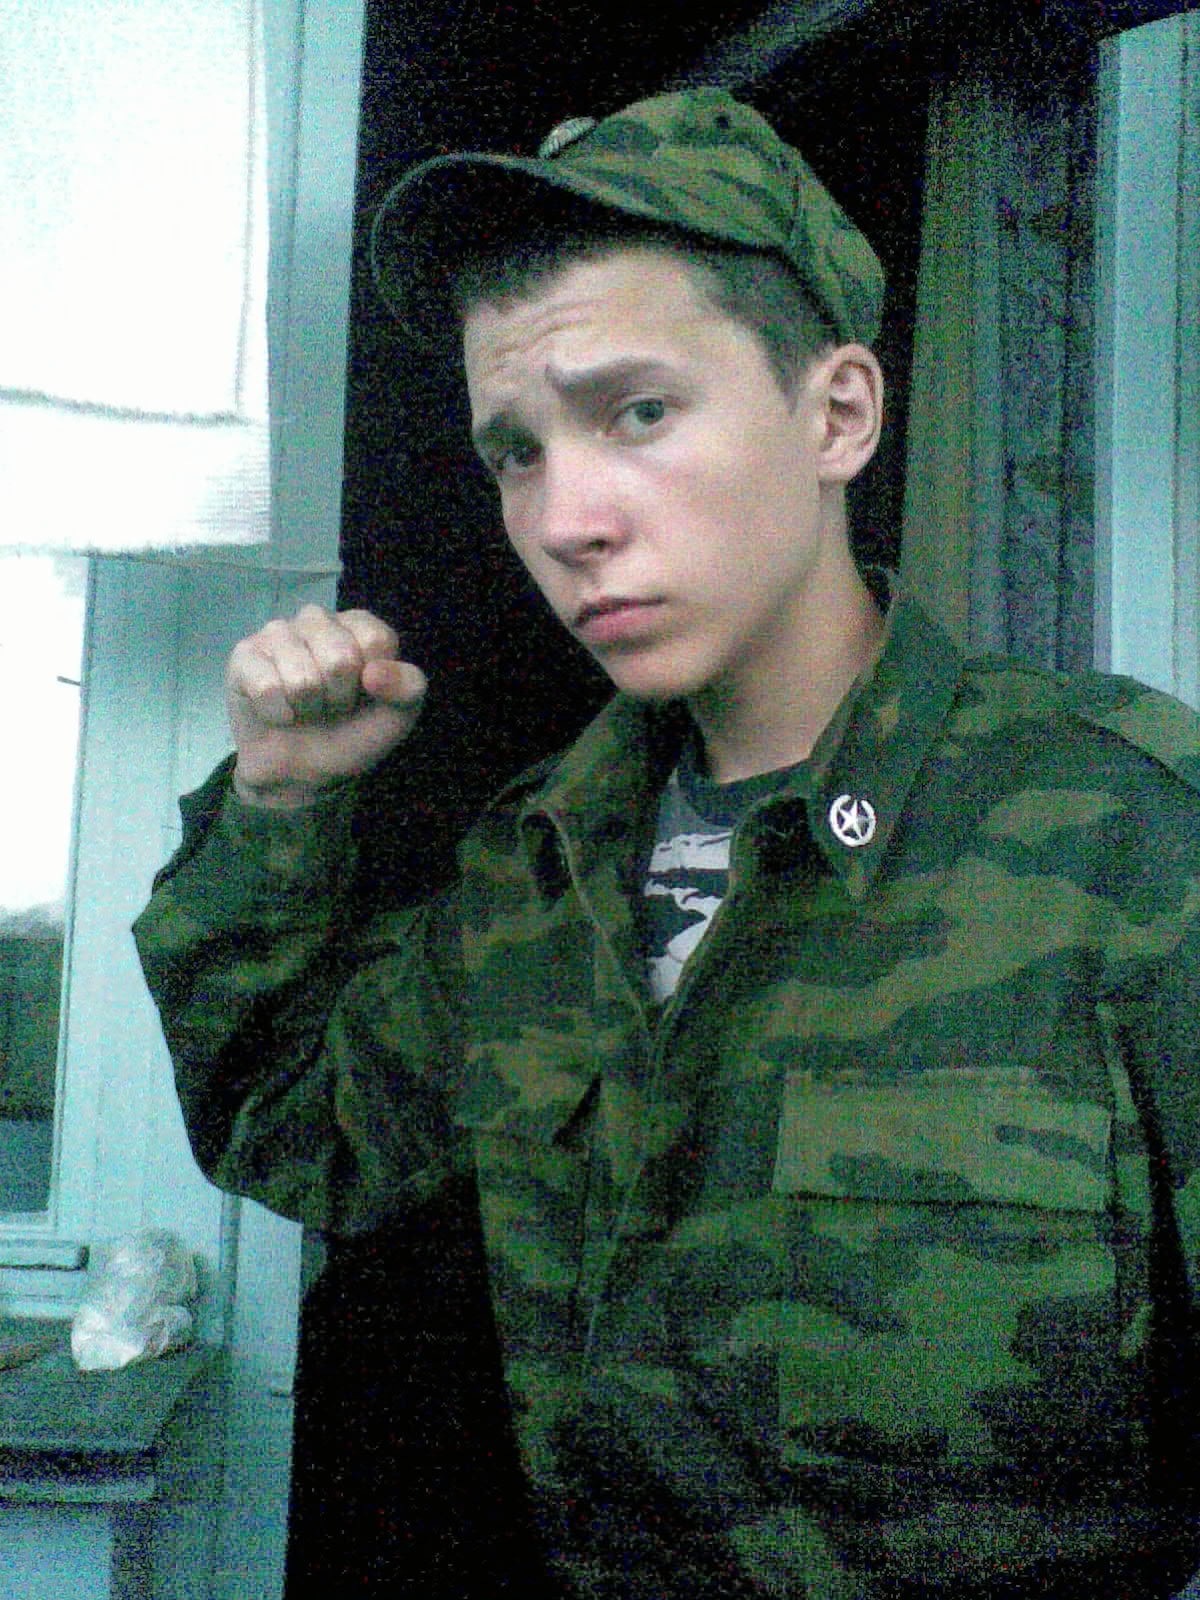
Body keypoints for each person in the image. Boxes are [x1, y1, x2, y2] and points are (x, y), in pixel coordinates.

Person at [133, 89, 1200, 1598]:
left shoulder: (1132, 837)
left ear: (838, 416)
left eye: (638, 412)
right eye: (516, 451)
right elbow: (294, 1128)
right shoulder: (543, 864)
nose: (567, 517)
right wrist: (280, 807)